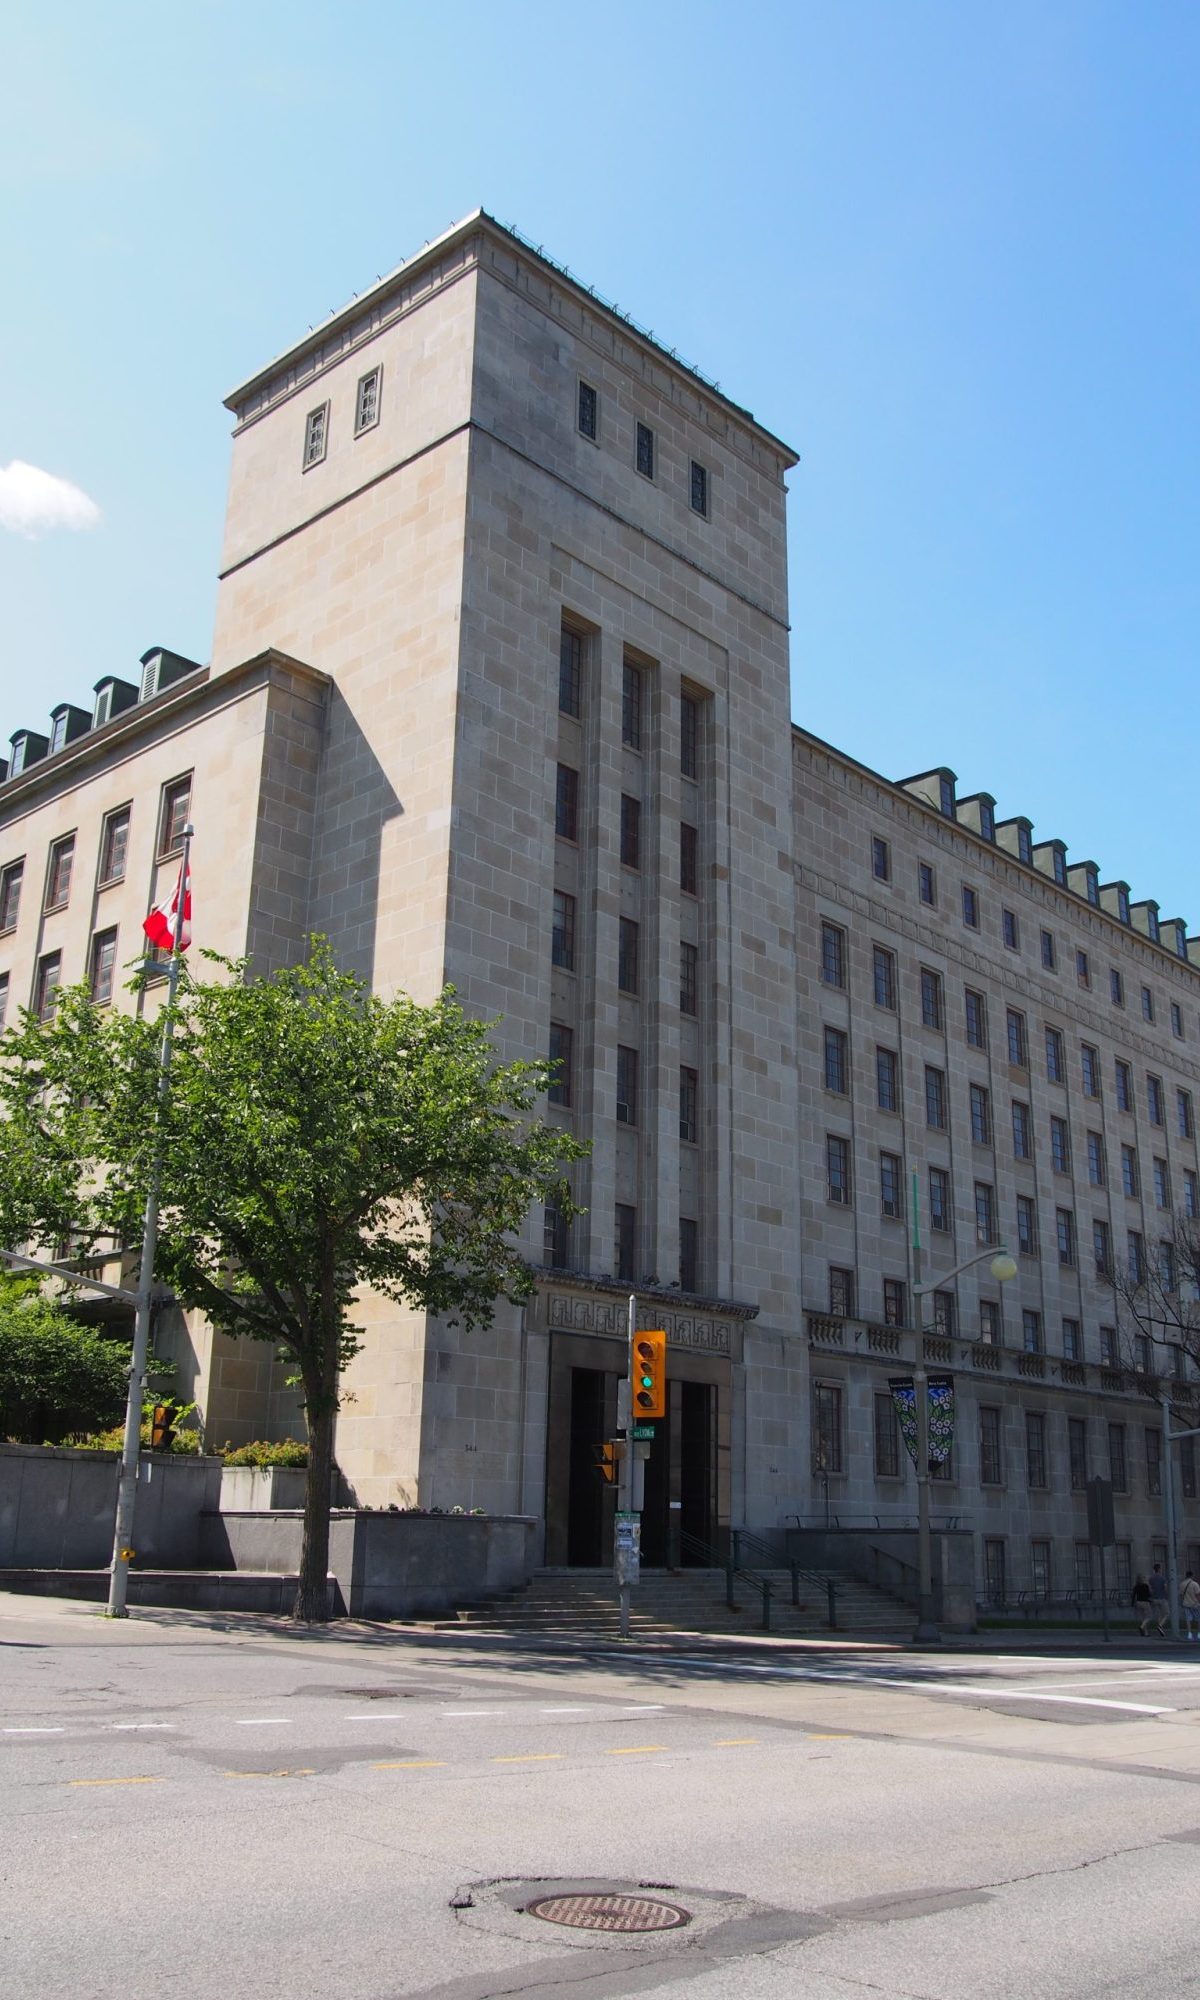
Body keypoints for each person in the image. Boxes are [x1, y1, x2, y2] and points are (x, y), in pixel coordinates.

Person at [1149, 1561, 1170, 1636]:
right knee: (1167, 1613)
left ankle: (1161, 1630)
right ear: (1160, 1569)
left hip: (1154, 1599)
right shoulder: (1162, 1578)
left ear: (1154, 1569)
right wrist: (1167, 1595)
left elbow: (1151, 1589)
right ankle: (1160, 1626)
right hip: (1162, 1598)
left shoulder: (1151, 1578)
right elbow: (1165, 1588)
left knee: (1159, 1615)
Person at [1181, 1571, 1200, 1642]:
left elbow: (1181, 1595)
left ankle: (1189, 1634)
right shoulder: (1195, 1584)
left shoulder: (1182, 1584)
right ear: (1192, 1576)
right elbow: (1198, 1594)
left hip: (1186, 1604)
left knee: (1188, 1619)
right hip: (1195, 1604)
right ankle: (1199, 1634)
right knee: (1199, 1619)